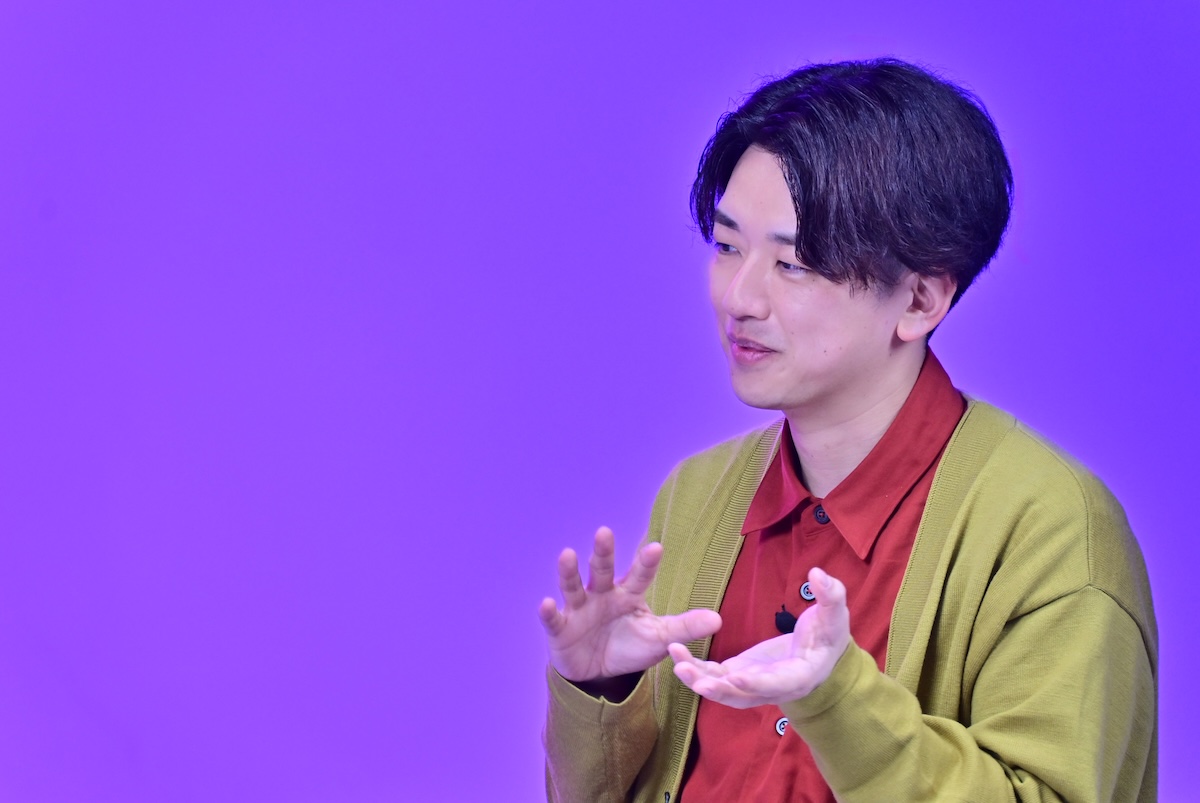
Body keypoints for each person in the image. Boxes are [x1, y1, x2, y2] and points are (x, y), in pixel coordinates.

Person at [538, 58, 1156, 803]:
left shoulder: (1051, 528)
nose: (739, 298)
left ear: (920, 300)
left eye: (794, 263)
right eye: (728, 247)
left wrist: (839, 700)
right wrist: (600, 689)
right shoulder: (697, 495)